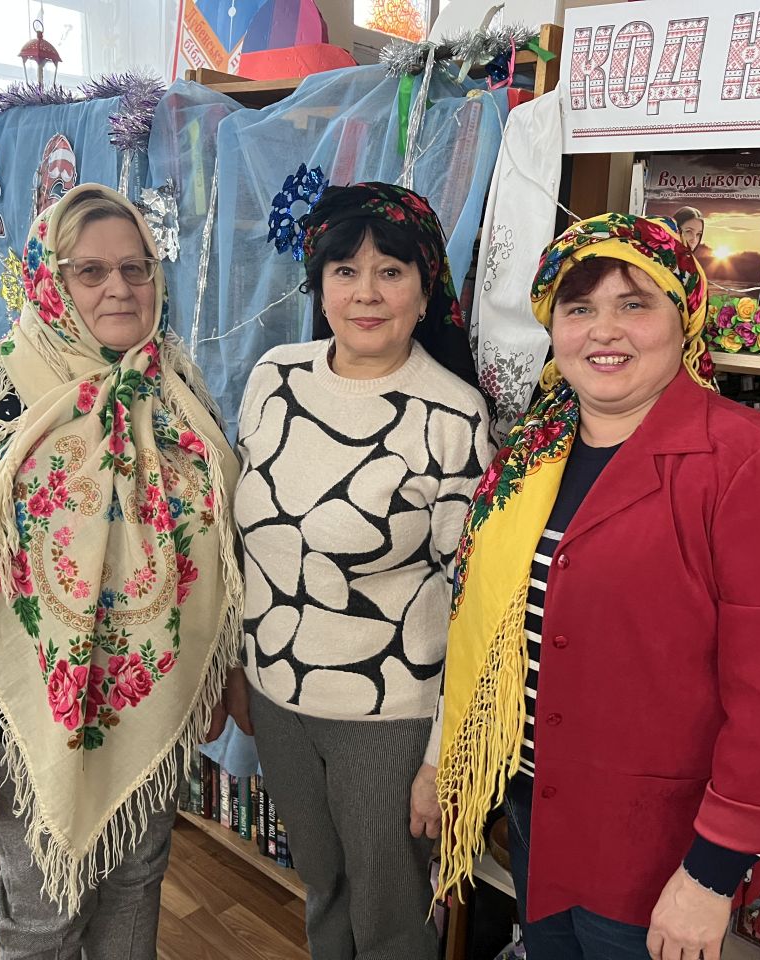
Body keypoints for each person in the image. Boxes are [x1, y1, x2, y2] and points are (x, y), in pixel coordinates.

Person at [435, 213, 760, 960]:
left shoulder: (749, 463)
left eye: (634, 303)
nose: (603, 331)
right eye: (578, 307)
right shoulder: (532, 457)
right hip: (538, 817)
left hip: (658, 853)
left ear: (684, 317)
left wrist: (712, 873)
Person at [0, 183, 244, 960]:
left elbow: (219, 548)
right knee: (45, 909)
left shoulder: (176, 394)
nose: (119, 287)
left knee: (139, 876)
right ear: (48, 280)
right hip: (28, 714)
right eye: (89, 270)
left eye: (135, 267)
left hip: (149, 695)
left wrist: (218, 674)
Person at [225, 182, 492, 960]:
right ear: (319, 284)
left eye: (390, 272)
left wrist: (442, 756)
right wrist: (238, 667)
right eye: (345, 271)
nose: (365, 293)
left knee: (390, 920)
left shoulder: (453, 416)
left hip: (390, 718)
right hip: (277, 698)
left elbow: (473, 601)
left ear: (425, 289)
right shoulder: (274, 377)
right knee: (324, 889)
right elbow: (245, 547)